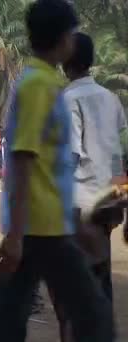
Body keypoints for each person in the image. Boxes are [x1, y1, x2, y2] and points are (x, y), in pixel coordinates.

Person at [0, 1, 113, 341]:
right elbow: (24, 159)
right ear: (63, 38)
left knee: (8, 320)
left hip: (47, 225)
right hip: (40, 229)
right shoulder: (39, 86)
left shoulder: (45, 83)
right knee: (94, 316)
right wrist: (15, 235)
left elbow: (48, 167)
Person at [57, 31, 128, 342]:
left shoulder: (68, 99)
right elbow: (116, 155)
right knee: (100, 285)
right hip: (105, 205)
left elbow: (70, 156)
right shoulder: (110, 99)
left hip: (77, 205)